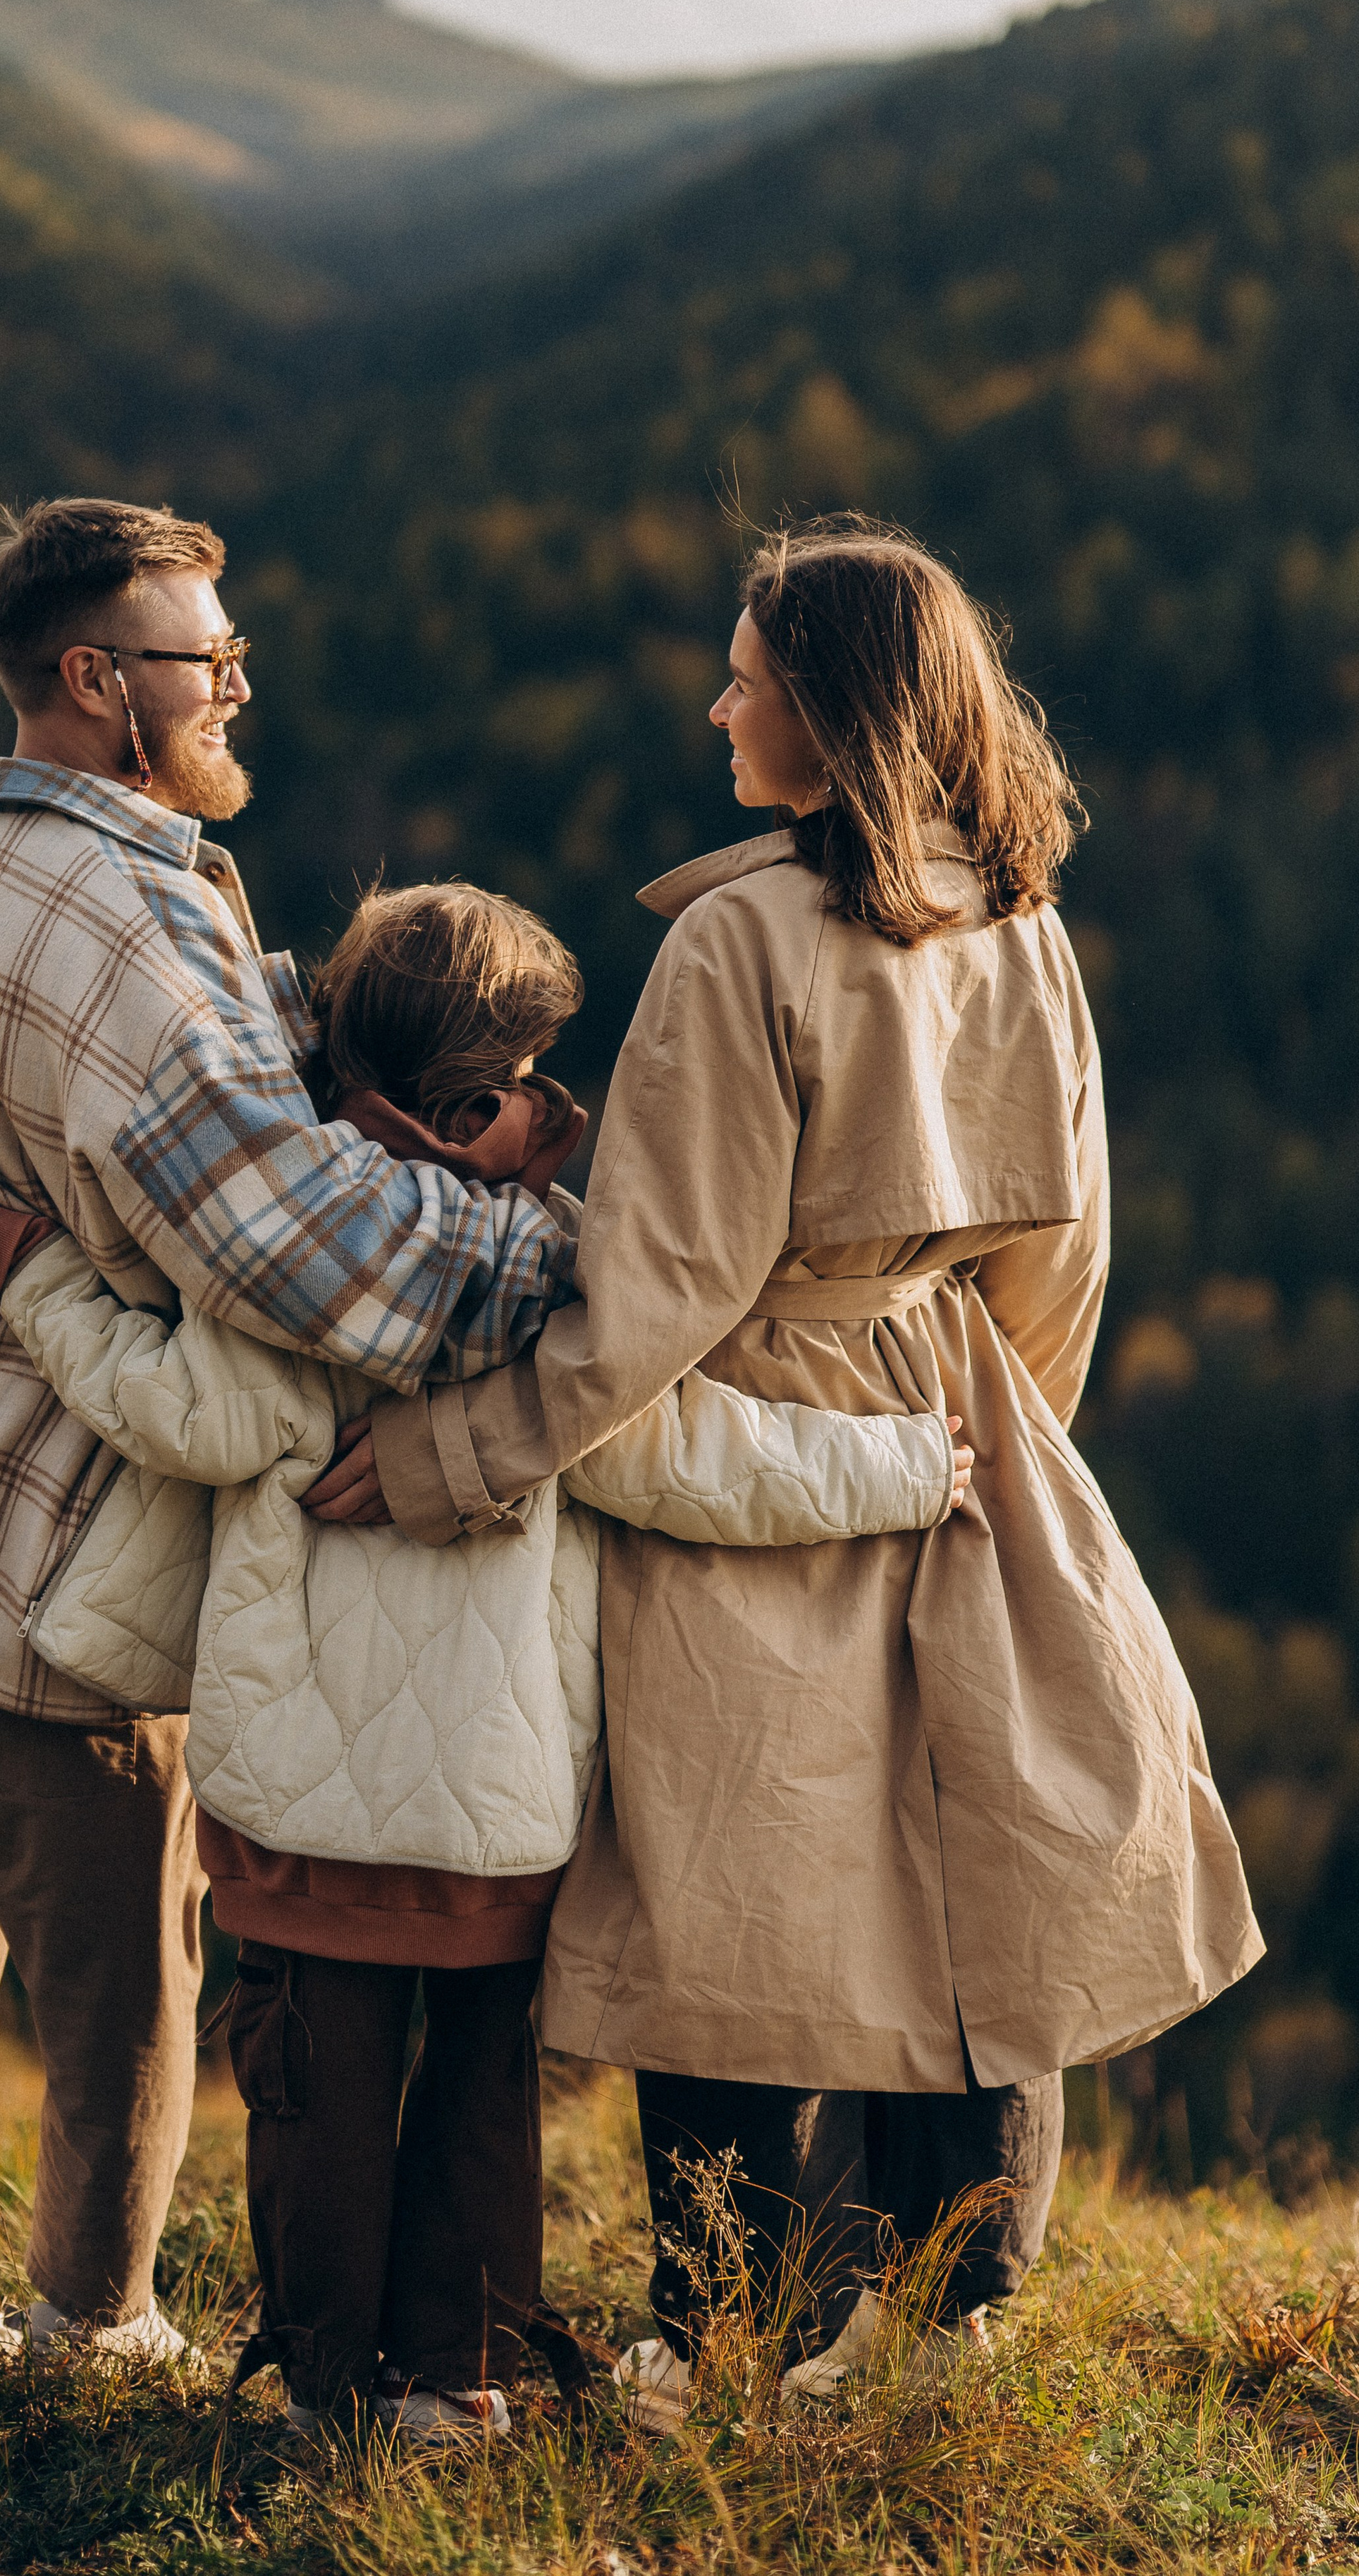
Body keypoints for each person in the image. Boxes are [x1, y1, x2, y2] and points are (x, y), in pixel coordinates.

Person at [326, 515, 1264, 2424]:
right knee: (962, 1868)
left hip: (760, 1406)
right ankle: (948, 2308)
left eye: (745, 675)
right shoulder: (1026, 920)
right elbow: (1063, 1247)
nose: (715, 702)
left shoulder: (739, 938)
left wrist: (455, 1458)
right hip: (965, 1404)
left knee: (734, 1882)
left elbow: (656, 1287)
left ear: (823, 716)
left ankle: (727, 2329)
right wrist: (1006, 1452)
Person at [0, 878, 968, 2443]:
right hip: (498, 1826)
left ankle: (323, 2382)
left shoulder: (273, 1282)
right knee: (481, 2106)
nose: (564, 1110)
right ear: (469, 1107)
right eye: (541, 1085)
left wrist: (31, 1280)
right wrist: (901, 1469)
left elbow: (169, 1405)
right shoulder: (560, 1303)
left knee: (314, 2103)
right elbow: (698, 1457)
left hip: (296, 1817)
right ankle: (459, 2379)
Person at [0, 496, 583, 2377]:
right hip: (56, 1544)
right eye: (205, 659)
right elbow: (300, 1253)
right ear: (92, 680)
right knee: (120, 1965)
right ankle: (94, 2314)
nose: (234, 688)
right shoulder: (112, 914)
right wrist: (542, 1255)